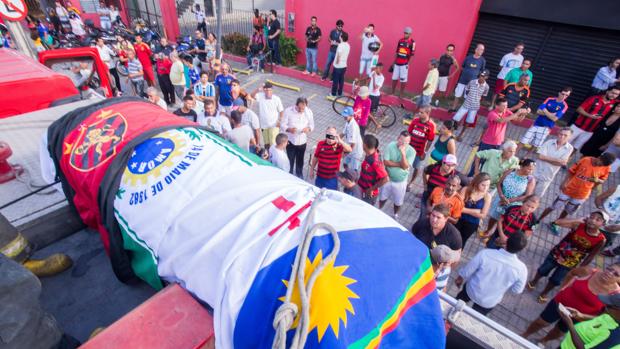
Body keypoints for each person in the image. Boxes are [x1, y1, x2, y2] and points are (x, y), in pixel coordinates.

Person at [522, 263, 620, 345]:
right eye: (609, 269)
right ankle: (525, 334)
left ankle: (543, 341)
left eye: (616, 274)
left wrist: (582, 316)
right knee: (541, 322)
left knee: (559, 331)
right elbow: (572, 273)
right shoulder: (590, 272)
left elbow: (602, 316)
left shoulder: (615, 296)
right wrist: (563, 288)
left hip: (577, 317)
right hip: (560, 303)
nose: (609, 273)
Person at [528, 212, 608, 303]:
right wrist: (576, 220)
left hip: (571, 262)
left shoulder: (601, 240)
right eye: (592, 217)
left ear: (603, 223)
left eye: (598, 220)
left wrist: (581, 269)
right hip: (557, 253)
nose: (593, 220)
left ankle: (544, 293)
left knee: (556, 280)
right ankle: (534, 281)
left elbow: (590, 256)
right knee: (543, 269)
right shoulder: (579, 225)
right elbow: (557, 222)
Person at [538, 153, 615, 234]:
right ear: (599, 157)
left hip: (582, 195)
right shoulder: (585, 160)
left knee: (567, 211)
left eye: (602, 165)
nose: (600, 165)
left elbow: (602, 180)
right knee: (553, 206)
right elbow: (571, 170)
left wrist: (598, 181)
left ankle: (556, 223)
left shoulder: (606, 167)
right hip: (569, 189)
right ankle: (537, 220)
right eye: (600, 163)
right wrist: (564, 182)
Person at [455, 231, 528, 315]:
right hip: (489, 301)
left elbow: (468, 270)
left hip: (471, 290)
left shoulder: (486, 253)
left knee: (455, 306)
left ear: (507, 240)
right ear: (520, 249)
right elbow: (517, 290)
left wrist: (460, 278)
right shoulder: (522, 269)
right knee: (473, 319)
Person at [481, 159, 537, 236]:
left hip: (514, 204)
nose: (531, 171)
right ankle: (488, 230)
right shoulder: (511, 171)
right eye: (529, 169)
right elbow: (499, 183)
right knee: (494, 216)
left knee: (505, 220)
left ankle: (497, 234)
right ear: (522, 166)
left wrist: (511, 200)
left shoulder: (530, 180)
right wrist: (501, 196)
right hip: (501, 199)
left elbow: (527, 196)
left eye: (532, 170)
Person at [518, 87, 572, 157]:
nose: (564, 96)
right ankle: (513, 155)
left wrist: (545, 110)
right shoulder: (549, 99)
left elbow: (555, 119)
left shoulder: (564, 106)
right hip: (536, 124)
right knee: (523, 140)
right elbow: (538, 111)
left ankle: (525, 158)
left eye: (566, 95)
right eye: (563, 94)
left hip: (547, 128)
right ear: (559, 92)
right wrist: (551, 114)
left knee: (535, 145)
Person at [569, 86, 620, 152]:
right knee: (565, 142)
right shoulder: (594, 98)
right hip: (577, 126)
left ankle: (566, 160)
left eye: (617, 94)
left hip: (590, 131)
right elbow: (579, 109)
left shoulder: (615, 103)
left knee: (575, 148)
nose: (614, 95)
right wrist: (590, 116)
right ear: (607, 91)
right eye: (612, 93)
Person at [379, 131, 416, 218]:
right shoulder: (390, 145)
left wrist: (403, 154)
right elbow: (386, 162)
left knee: (398, 201)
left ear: (409, 142)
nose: (403, 143)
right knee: (382, 197)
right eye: (401, 140)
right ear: (398, 138)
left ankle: (395, 214)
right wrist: (400, 164)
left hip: (401, 181)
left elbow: (405, 166)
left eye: (406, 142)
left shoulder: (412, 151)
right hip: (387, 178)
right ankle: (379, 210)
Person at [531, 127, 574, 198]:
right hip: (534, 173)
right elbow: (540, 156)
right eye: (561, 134)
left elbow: (561, 163)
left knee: (535, 197)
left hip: (547, 177)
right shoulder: (549, 142)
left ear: (570, 137)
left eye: (565, 135)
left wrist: (546, 158)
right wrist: (558, 160)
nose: (562, 136)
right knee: (525, 193)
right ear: (558, 134)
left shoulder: (570, 148)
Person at [452, 70, 490, 141]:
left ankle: (461, 134)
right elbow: (467, 89)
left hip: (475, 106)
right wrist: (467, 97)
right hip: (466, 103)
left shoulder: (486, 87)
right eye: (481, 76)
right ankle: (452, 130)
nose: (481, 77)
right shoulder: (472, 82)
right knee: (456, 118)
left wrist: (477, 101)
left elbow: (483, 96)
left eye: (483, 76)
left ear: (487, 77)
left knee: (468, 121)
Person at [281, 97, 314, 178]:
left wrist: (308, 129)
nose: (301, 110)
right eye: (299, 108)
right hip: (291, 141)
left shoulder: (308, 112)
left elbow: (312, 125)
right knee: (290, 160)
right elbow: (282, 124)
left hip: (302, 141)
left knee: (300, 160)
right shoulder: (288, 111)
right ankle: (290, 174)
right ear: (296, 105)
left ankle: (299, 175)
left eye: (303, 108)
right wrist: (289, 129)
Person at [456, 172, 492, 245]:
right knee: (453, 237)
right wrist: (476, 211)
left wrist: (464, 209)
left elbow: (483, 215)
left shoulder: (487, 196)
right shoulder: (466, 189)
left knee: (462, 241)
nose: (485, 188)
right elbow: (457, 207)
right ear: (477, 182)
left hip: (472, 224)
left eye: (488, 185)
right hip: (458, 219)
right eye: (483, 185)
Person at [449, 43, 486, 112]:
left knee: (467, 97)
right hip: (463, 80)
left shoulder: (482, 60)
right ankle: (453, 108)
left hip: (472, 83)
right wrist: (467, 73)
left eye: (482, 50)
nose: (481, 51)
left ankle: (463, 110)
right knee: (457, 95)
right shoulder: (468, 57)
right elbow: (462, 67)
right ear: (476, 50)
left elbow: (482, 71)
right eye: (480, 49)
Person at [406, 106, 436, 190]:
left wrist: (425, 152)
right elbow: (408, 133)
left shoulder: (431, 126)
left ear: (428, 113)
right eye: (419, 112)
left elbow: (430, 141)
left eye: (421, 113)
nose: (419, 114)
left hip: (419, 153)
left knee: (416, 168)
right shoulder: (415, 121)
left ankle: (411, 183)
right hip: (409, 150)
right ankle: (404, 180)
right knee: (405, 165)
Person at [357, 134, 389, 205]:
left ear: (365, 145)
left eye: (362, 143)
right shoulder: (369, 154)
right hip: (361, 190)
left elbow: (385, 179)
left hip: (368, 195)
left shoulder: (375, 161)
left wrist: (371, 189)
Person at [491, 42, 525, 107]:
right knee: (497, 92)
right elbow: (500, 66)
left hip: (513, 79)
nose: (519, 50)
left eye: (521, 49)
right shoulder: (507, 56)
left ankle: (499, 107)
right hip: (503, 77)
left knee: (506, 94)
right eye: (518, 48)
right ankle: (492, 104)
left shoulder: (521, 58)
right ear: (515, 48)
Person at [253, 82, 284, 149]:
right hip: (264, 125)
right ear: (264, 90)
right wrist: (258, 89)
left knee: (273, 144)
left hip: (274, 125)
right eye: (266, 90)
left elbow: (281, 111)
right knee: (266, 144)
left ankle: (273, 158)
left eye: (270, 90)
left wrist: (279, 121)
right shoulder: (260, 96)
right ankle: (267, 157)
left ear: (272, 90)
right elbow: (251, 96)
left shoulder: (277, 99)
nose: (268, 92)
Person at [390, 26, 415, 100]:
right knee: (394, 78)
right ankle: (392, 92)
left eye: (407, 33)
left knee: (403, 80)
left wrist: (408, 64)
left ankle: (401, 94)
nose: (405, 34)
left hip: (404, 64)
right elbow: (397, 52)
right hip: (397, 63)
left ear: (410, 34)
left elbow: (412, 55)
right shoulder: (400, 40)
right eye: (404, 33)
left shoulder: (412, 43)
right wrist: (393, 63)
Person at [341, 106, 364, 173]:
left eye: (346, 116)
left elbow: (353, 144)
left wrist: (346, 153)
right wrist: (335, 139)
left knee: (354, 169)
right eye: (344, 115)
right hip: (350, 148)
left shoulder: (353, 126)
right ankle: (347, 174)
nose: (344, 117)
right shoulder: (347, 122)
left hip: (355, 151)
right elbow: (342, 133)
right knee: (345, 163)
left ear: (351, 116)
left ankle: (353, 180)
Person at [330, 31, 350, 97]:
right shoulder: (348, 45)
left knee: (335, 80)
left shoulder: (341, 45)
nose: (339, 36)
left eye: (340, 35)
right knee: (341, 80)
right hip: (344, 66)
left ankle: (333, 94)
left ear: (341, 37)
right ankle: (340, 92)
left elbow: (339, 54)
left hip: (338, 66)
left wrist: (337, 63)